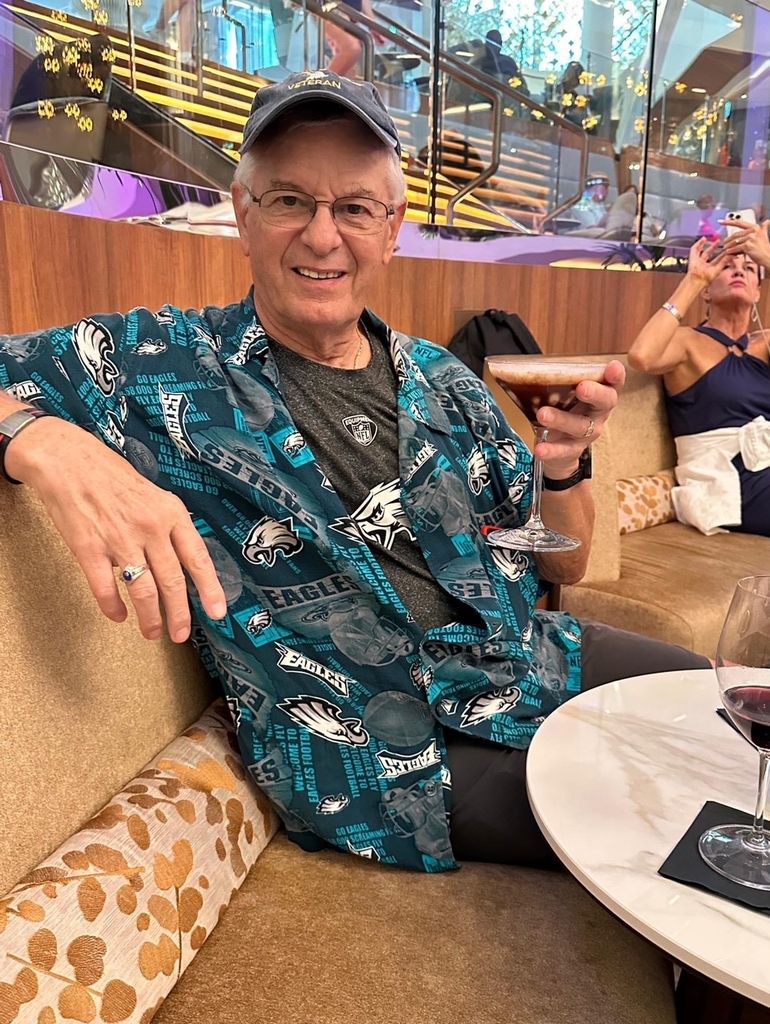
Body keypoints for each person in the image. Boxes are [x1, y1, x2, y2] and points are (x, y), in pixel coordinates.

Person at [0, 70, 708, 878]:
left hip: (524, 661)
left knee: (720, 704)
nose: (322, 236)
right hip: (389, 759)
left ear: (392, 229)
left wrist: (569, 464)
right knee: (674, 816)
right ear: (243, 214)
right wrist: (42, 440)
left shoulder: (446, 381)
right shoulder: (154, 362)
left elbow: (566, 565)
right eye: (290, 200)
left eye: (355, 208)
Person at [628, 220, 770, 536]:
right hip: (729, 483)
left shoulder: (765, 344)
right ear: (706, 290)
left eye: (750, 267)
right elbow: (641, 356)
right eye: (726, 266)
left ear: (758, 292)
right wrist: (693, 280)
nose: (738, 271)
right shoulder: (687, 342)